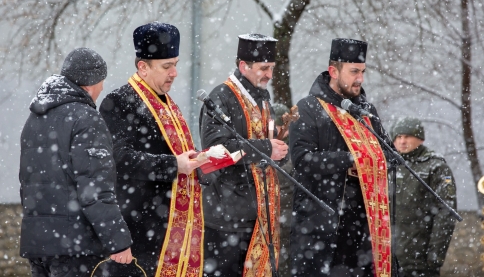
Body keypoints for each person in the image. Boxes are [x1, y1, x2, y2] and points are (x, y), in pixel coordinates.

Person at [99, 22, 208, 276]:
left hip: (173, 231)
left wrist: (200, 163)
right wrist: (173, 165)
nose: (174, 73)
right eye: (167, 66)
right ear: (143, 67)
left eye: (176, 64)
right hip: (142, 230)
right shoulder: (119, 102)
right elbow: (119, 158)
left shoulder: (168, 103)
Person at [19, 48, 133, 276]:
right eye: (102, 81)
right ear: (91, 82)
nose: (102, 88)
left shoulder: (36, 117)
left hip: (38, 241)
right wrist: (118, 241)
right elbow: (95, 189)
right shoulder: (86, 119)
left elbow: (28, 182)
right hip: (74, 246)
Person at [289, 38, 394, 277]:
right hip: (320, 231)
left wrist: (378, 159)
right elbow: (302, 160)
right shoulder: (309, 108)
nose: (360, 79)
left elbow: (389, 154)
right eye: (354, 71)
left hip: (363, 232)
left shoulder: (366, 112)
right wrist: (350, 159)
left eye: (363, 72)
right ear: (333, 71)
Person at [199, 33, 289, 276]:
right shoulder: (221, 98)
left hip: (260, 216)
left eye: (271, 68)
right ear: (243, 66)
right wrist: (266, 149)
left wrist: (280, 151)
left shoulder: (263, 99)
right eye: (263, 68)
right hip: (227, 218)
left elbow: (265, 146)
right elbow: (214, 154)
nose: (269, 75)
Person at [392, 117, 457, 277]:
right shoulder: (388, 164)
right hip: (389, 258)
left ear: (420, 138)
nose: (402, 141)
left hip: (419, 259)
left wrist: (435, 255)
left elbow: (446, 213)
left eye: (407, 136)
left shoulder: (435, 166)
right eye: (398, 137)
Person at [272, 103, 294, 277]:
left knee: (284, 263)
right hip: (266, 217)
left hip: (286, 221)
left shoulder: (293, 151)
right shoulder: (262, 147)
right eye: (279, 126)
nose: (282, 130)